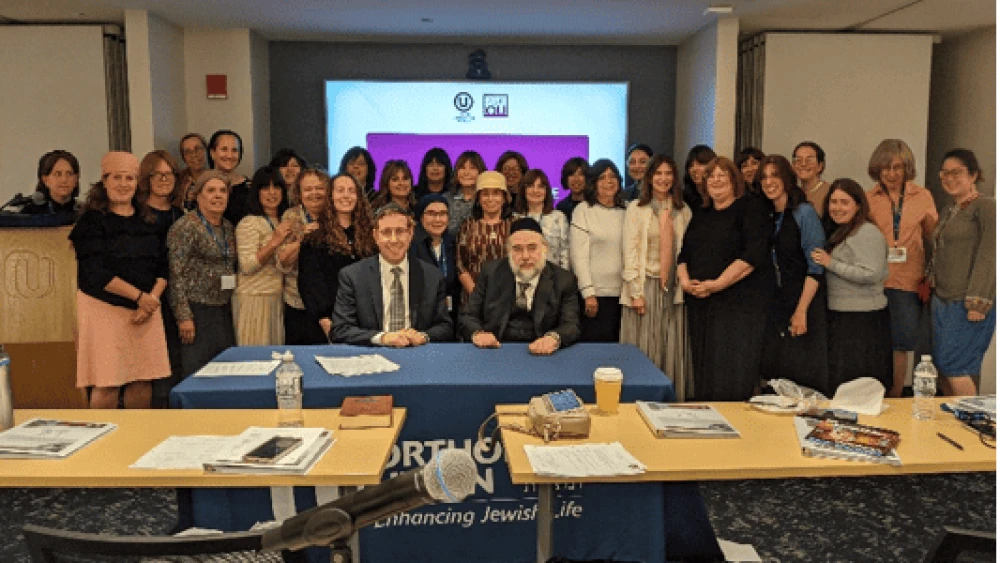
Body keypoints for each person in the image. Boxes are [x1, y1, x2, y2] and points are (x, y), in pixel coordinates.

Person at [69, 151, 169, 409]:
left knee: (142, 379)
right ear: (104, 181)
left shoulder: (149, 220)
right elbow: (95, 273)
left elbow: (163, 267)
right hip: (104, 309)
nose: (123, 184)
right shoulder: (91, 222)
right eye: (117, 177)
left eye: (129, 178)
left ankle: (139, 440)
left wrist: (151, 301)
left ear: (137, 183)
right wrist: (139, 298)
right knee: (108, 382)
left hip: (146, 309)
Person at [677, 157, 773, 401]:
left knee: (731, 368)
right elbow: (684, 254)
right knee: (704, 367)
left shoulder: (751, 209)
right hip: (701, 302)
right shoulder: (702, 212)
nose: (716, 180)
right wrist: (686, 282)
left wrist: (717, 284)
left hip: (738, 305)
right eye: (711, 176)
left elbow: (753, 255)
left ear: (735, 180)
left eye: (723, 175)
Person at [865, 138, 938, 397]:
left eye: (897, 167)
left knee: (900, 344)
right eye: (885, 168)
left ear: (907, 168)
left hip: (908, 280)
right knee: (873, 341)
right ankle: (872, 395)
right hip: (874, 280)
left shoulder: (923, 196)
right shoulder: (868, 198)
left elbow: (934, 236)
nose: (891, 174)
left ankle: (895, 396)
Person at [620, 155, 693, 397]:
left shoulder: (683, 211)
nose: (663, 179)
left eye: (668, 173)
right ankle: (639, 398)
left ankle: (668, 400)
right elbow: (629, 251)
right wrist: (635, 293)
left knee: (669, 346)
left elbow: (688, 251)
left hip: (673, 288)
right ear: (649, 178)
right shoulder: (636, 209)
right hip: (644, 287)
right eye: (658, 173)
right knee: (643, 348)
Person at [757, 155, 831, 395]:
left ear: (787, 179)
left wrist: (801, 311)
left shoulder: (804, 213)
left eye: (774, 176)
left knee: (802, 372)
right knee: (776, 372)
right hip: (776, 302)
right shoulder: (766, 214)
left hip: (803, 301)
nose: (769, 182)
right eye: (764, 177)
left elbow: (816, 266)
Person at [331, 203, 453, 345]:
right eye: (386, 232)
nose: (394, 240)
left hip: (416, 354)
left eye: (400, 231)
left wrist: (423, 336)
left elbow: (446, 327)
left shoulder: (432, 276)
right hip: (373, 356)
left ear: (410, 233)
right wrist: (383, 338)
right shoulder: (353, 276)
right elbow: (340, 330)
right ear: (376, 236)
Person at [811, 179, 892, 393]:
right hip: (842, 317)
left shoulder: (866, 232)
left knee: (860, 388)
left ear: (858, 205)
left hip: (863, 321)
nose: (837, 208)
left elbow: (872, 273)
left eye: (844, 202)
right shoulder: (841, 231)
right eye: (833, 202)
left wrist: (831, 263)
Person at [929, 149, 995, 397]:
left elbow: (990, 255)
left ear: (974, 175)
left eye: (956, 172)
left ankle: (969, 427)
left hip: (967, 302)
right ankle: (950, 423)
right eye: (944, 173)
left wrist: (978, 302)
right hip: (942, 298)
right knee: (944, 366)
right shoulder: (950, 210)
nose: (949, 178)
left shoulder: (986, 207)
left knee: (956, 365)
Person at [459, 218, 580, 353]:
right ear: (508, 251)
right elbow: (468, 316)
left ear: (545, 248)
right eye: (517, 249)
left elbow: (571, 325)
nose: (525, 256)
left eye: (532, 247)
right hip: (496, 349)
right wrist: (478, 334)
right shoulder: (491, 272)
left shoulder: (563, 279)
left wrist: (554, 338)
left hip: (542, 352)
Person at [167, 170, 237, 377]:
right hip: (196, 310)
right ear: (198, 196)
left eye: (223, 191)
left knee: (223, 371)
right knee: (197, 372)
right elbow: (175, 272)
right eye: (211, 190)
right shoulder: (185, 226)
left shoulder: (227, 227)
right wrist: (183, 316)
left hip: (223, 308)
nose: (218, 195)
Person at [299, 173, 377, 342]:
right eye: (340, 190)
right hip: (329, 324)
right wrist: (326, 321)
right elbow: (311, 284)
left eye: (351, 191)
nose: (346, 196)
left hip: (367, 322)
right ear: (330, 196)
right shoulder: (315, 238)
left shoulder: (372, 237)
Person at [136, 150, 185, 408]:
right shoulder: (137, 214)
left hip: (175, 297)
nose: (165, 180)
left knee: (175, 362)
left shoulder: (181, 214)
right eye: (158, 174)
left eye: (170, 174)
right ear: (146, 177)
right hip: (145, 298)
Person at [570, 159, 627, 342]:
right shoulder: (584, 210)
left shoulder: (628, 209)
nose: (608, 181)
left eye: (612, 176)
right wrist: (588, 293)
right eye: (602, 177)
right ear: (593, 182)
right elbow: (579, 257)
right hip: (595, 296)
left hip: (624, 296)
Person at [234, 166, 292, 346]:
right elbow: (247, 265)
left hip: (277, 298)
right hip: (254, 299)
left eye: (277, 187)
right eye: (265, 188)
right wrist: (275, 241)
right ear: (256, 192)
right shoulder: (249, 222)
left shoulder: (285, 220)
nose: (272, 193)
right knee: (255, 362)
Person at [277, 167, 333, 344]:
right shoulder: (290, 216)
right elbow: (283, 262)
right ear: (299, 193)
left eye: (319, 188)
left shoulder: (336, 215)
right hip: (297, 302)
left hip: (329, 303)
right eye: (308, 189)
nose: (314, 193)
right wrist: (303, 238)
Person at [457, 171, 512, 306]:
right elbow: (460, 264)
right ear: (478, 198)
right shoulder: (467, 226)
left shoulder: (515, 226)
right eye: (485, 194)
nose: (490, 199)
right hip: (472, 300)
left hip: (508, 299)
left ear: (504, 198)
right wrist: (477, 295)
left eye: (496, 193)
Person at [410, 194, 461, 325]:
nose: (438, 219)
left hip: (448, 314)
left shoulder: (452, 242)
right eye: (431, 213)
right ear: (421, 217)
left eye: (443, 213)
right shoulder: (411, 245)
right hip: (419, 316)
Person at [513, 169, 569, 269]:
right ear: (523, 190)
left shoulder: (559, 217)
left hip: (554, 277)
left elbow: (565, 253)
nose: (535, 190)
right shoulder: (515, 218)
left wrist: (564, 280)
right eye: (530, 186)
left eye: (540, 186)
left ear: (546, 191)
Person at [207, 129, 249, 226]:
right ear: (212, 153)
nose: (229, 156)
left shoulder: (249, 186)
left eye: (234, 150)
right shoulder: (202, 185)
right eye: (224, 149)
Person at [21, 150, 81, 215]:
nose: (64, 180)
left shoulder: (84, 211)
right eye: (58, 174)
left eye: (69, 174)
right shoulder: (30, 212)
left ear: (76, 179)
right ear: (45, 180)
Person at [448, 151, 487, 235]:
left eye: (472, 168)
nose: (466, 172)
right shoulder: (446, 199)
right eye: (462, 167)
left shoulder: (488, 199)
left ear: (481, 171)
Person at [793, 141, 829, 216]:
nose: (803, 164)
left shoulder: (830, 193)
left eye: (809, 160)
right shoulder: (792, 193)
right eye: (798, 160)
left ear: (820, 166)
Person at [682, 145, 716, 211]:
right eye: (691, 165)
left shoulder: (720, 196)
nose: (694, 169)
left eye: (700, 164)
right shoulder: (684, 198)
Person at [178, 133, 208, 208]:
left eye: (198, 149)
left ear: (206, 151)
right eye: (188, 152)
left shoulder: (217, 179)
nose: (194, 155)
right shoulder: (178, 181)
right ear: (183, 157)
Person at [555, 157, 588, 223]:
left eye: (580, 174)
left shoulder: (595, 205)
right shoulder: (561, 207)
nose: (576, 179)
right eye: (572, 175)